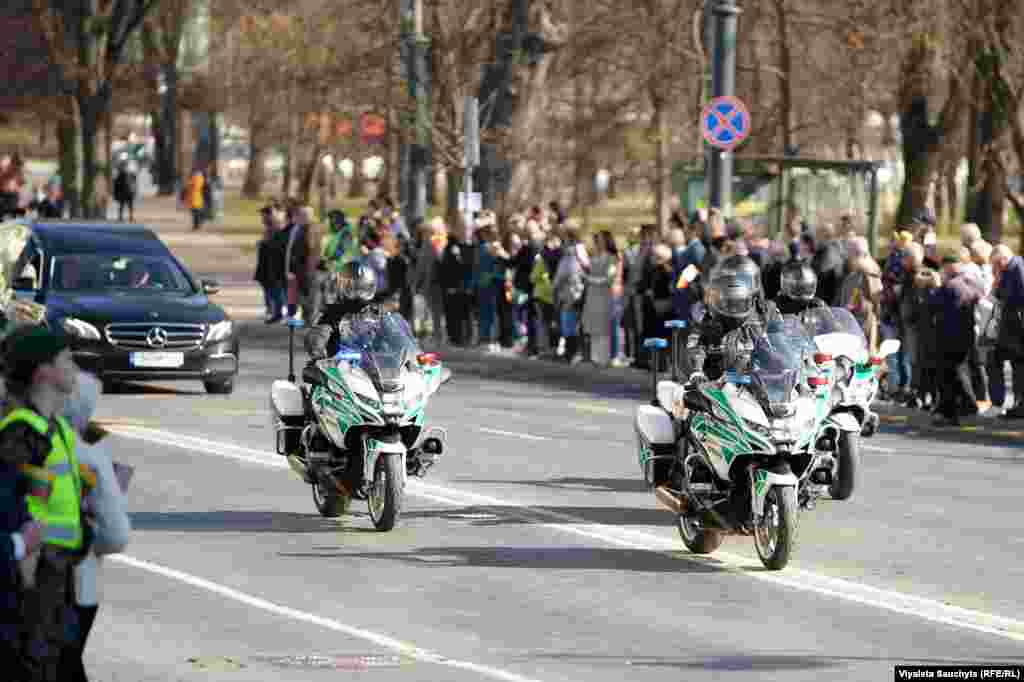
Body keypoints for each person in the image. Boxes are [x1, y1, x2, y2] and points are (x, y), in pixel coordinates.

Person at [0, 325, 91, 682]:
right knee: (37, 663)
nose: (74, 369)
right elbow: (16, 505)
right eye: (67, 360)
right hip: (37, 571)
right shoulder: (23, 433)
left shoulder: (54, 428)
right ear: (43, 372)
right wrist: (27, 563)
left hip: (59, 566)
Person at [59, 371, 131, 681]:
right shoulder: (89, 454)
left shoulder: (16, 434)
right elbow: (115, 534)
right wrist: (90, 541)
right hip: (76, 583)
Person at [685, 255, 777, 383]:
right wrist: (697, 371)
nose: (735, 285)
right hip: (714, 385)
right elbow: (696, 344)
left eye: (743, 280)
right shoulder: (707, 314)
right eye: (729, 280)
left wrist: (785, 366)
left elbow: (774, 345)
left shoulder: (765, 312)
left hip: (752, 383)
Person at [304, 261, 382, 361]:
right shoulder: (335, 311)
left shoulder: (375, 311)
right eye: (348, 285)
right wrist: (318, 345)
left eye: (358, 286)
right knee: (312, 371)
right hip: (341, 365)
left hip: (373, 364)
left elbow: (392, 334)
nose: (353, 289)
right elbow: (318, 334)